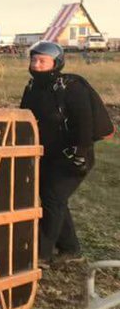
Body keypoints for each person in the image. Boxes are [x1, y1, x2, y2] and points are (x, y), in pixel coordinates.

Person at [20, 41, 94, 268]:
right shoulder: (32, 88)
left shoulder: (71, 87)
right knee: (54, 199)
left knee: (53, 198)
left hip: (73, 156)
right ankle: (71, 249)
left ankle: (42, 254)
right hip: (48, 155)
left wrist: (80, 154)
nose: (37, 64)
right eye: (34, 60)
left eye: (42, 60)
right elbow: (24, 117)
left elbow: (85, 123)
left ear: (56, 63)